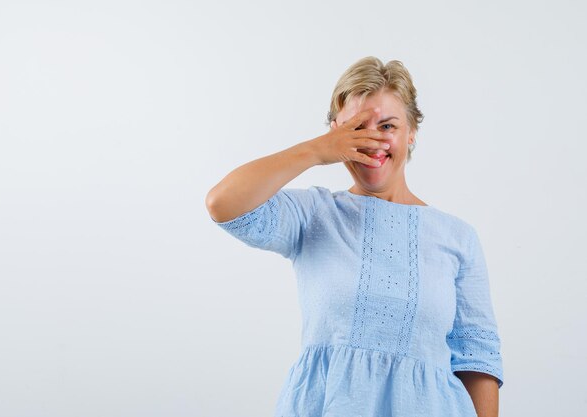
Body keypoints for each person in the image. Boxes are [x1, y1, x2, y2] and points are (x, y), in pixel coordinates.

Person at [205, 56, 504, 417]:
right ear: (334, 133)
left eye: (388, 125)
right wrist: (316, 150)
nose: (371, 140)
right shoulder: (314, 214)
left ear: (412, 133)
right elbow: (223, 204)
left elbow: (477, 355)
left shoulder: (458, 237)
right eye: (355, 129)